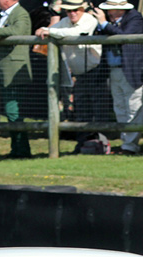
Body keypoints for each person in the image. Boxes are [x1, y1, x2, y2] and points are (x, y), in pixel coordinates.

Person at [36, 0, 103, 153]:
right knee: (80, 110)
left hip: (95, 71)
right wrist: (43, 29)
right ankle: (82, 144)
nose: (72, 13)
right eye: (68, 11)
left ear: (83, 9)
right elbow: (50, 30)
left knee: (96, 109)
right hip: (77, 73)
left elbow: (76, 34)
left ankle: (98, 144)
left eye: (76, 10)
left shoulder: (90, 20)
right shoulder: (65, 21)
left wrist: (49, 31)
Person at [93, 0, 143, 154]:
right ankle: (126, 144)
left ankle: (131, 147)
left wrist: (104, 24)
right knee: (120, 109)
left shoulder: (135, 17)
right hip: (114, 70)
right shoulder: (108, 23)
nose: (108, 13)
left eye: (110, 9)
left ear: (119, 9)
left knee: (133, 108)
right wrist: (101, 25)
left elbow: (124, 36)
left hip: (132, 71)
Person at [0, 0, 33, 158]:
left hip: (15, 71)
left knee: (14, 112)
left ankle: (22, 151)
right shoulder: (0, 15)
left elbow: (17, 29)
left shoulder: (21, 13)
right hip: (3, 70)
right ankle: (17, 150)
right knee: (11, 112)